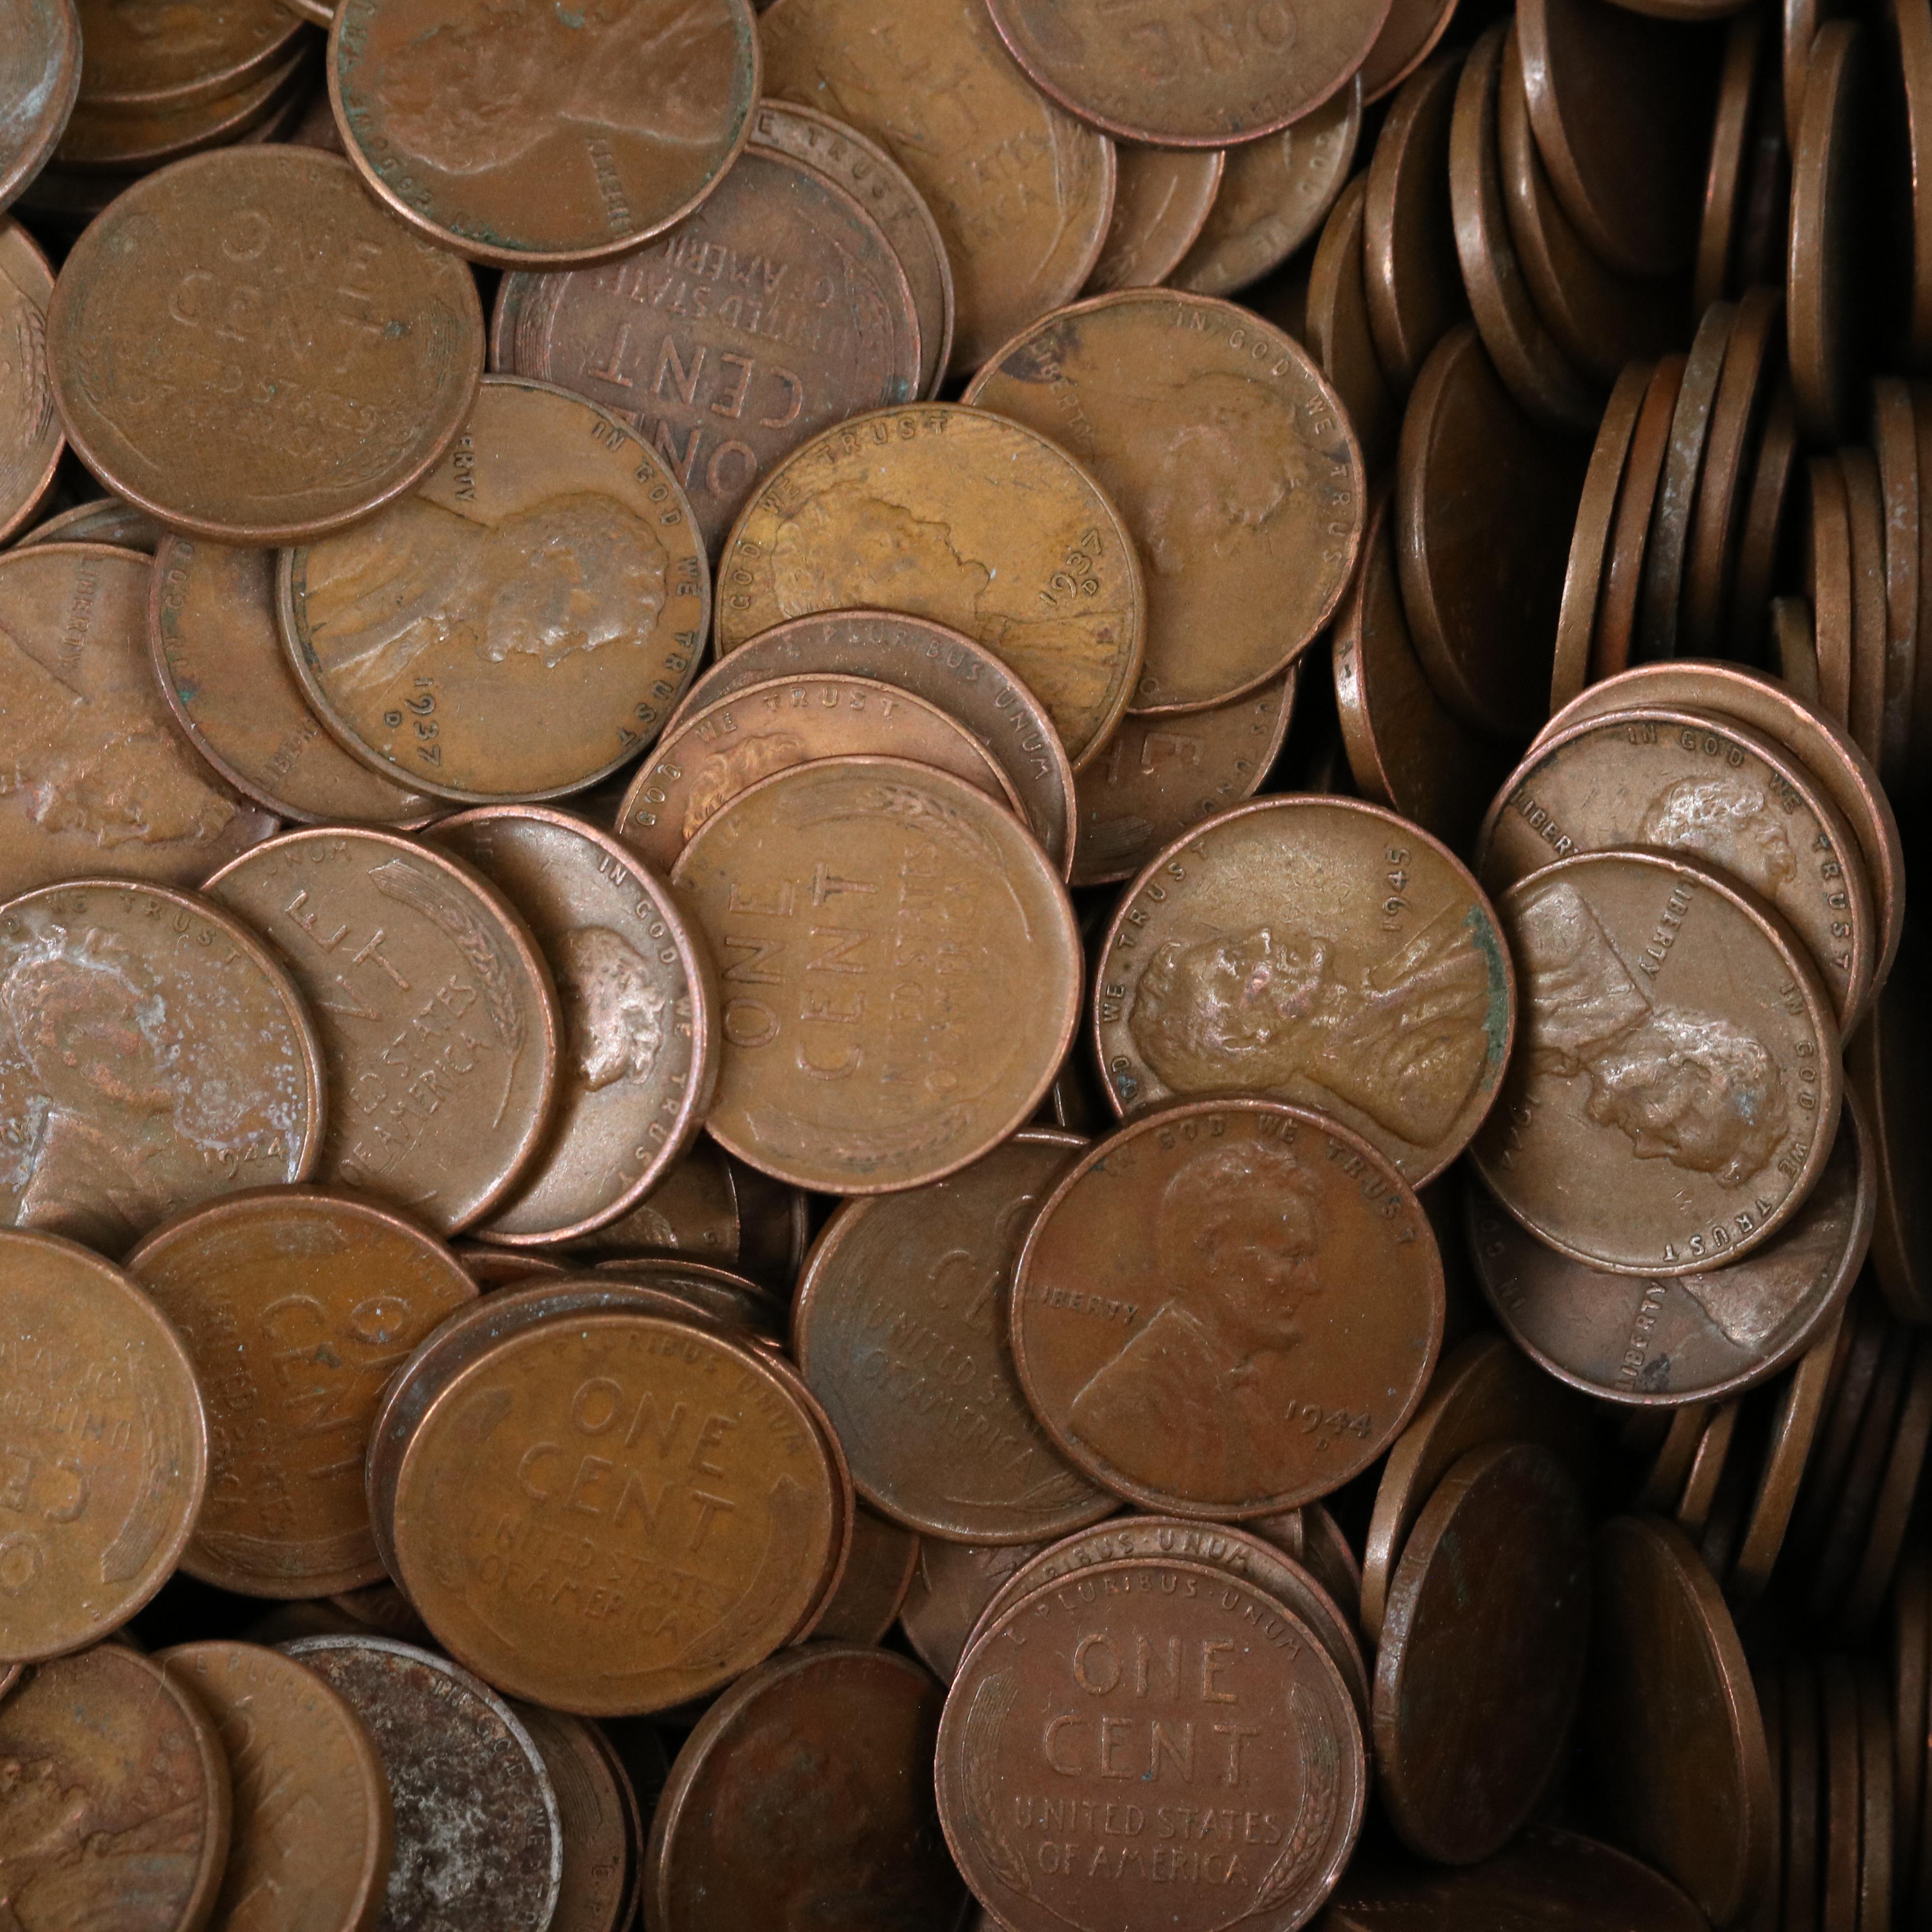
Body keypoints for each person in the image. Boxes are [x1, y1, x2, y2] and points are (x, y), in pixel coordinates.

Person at [1066, 1138, 1324, 1503]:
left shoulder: (1239, 1391)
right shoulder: (1126, 1407)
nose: (1313, 1283)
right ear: (1211, 1253)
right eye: (1293, 1256)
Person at [1128, 902, 1496, 1151]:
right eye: (1241, 962)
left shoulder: (1403, 969)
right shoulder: (1419, 1094)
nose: (1265, 935)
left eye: (1238, 943)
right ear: (1251, 1039)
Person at [1512, 878, 1789, 1187]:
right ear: (1695, 1069)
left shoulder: (1559, 1059)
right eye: (1672, 1135)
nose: (1642, 1149)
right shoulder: (1561, 933)